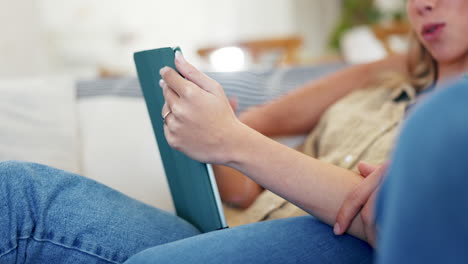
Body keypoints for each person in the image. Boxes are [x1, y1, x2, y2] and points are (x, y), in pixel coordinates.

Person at [1, 0, 467, 263]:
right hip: (236, 231)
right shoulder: (384, 80)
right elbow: (244, 184)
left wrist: (233, 140)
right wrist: (220, 130)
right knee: (18, 193)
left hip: (339, 245)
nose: (424, 4)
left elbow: (391, 222)